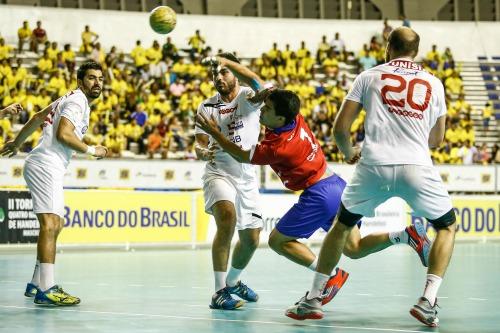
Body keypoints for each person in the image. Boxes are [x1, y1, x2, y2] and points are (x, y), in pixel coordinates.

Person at [196, 56, 431, 309]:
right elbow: (265, 94)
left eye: (266, 110)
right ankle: (406, 235)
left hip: (319, 194)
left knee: (277, 241)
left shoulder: (276, 147)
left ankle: (327, 278)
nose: (262, 110)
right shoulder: (294, 117)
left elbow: (242, 154)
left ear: (279, 119)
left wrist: (215, 133)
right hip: (337, 185)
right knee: (353, 247)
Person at [286, 27, 456, 328]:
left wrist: (349, 151)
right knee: (447, 227)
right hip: (417, 166)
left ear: (387, 47)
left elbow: (341, 128)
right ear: (416, 51)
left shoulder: (369, 76)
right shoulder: (434, 83)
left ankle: (313, 298)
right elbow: (437, 139)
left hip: (374, 164)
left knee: (341, 227)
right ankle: (428, 301)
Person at [0, 61, 108, 306]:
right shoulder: (77, 100)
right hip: (46, 164)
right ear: (80, 82)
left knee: (56, 224)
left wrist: (18, 143)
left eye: (100, 78)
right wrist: (93, 150)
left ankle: (37, 282)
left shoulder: (67, 98)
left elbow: (38, 117)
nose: (97, 83)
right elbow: (64, 134)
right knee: (50, 224)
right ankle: (47, 289)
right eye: (92, 78)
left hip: (48, 165)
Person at [194, 53, 262, 310]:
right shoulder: (206, 106)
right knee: (226, 218)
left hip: (246, 175)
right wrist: (201, 151)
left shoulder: (248, 97)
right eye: (215, 74)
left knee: (252, 239)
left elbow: (258, 84)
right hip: (218, 172)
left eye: (224, 72)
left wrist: (226, 61)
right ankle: (219, 291)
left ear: (234, 72)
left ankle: (234, 281)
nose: (218, 78)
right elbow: (200, 143)